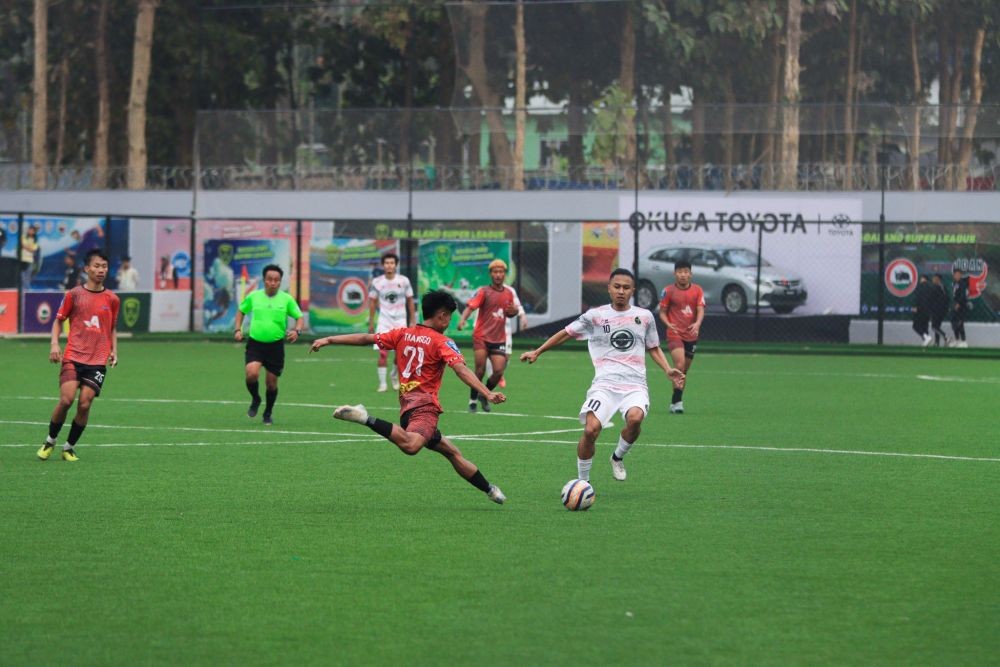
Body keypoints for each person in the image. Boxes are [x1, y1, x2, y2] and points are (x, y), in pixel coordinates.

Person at [309, 289, 507, 505]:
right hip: (425, 409)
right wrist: (487, 392)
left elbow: (366, 338)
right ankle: (364, 418)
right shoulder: (442, 341)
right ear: (441, 315)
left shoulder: (403, 333)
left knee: (452, 452)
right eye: (449, 317)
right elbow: (461, 370)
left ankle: (489, 489)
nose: (449, 321)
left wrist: (329, 339)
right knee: (411, 446)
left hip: (408, 409)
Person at [519, 269, 684, 483]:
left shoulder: (644, 317)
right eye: (617, 287)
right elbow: (566, 333)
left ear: (633, 290)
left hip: (635, 386)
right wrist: (538, 351)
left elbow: (653, 347)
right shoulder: (595, 316)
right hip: (604, 386)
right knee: (591, 430)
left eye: (626, 287)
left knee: (635, 420)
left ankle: (617, 457)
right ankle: (583, 482)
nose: (621, 291)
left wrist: (667, 369)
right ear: (609, 288)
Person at [37, 248, 120, 462]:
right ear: (86, 269)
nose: (101, 270)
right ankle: (50, 441)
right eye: (97, 266)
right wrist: (54, 344)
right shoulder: (74, 295)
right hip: (73, 356)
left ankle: (69, 447)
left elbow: (112, 327)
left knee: (84, 403)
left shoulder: (112, 299)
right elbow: (58, 320)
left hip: (98, 360)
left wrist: (114, 351)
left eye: (104, 266)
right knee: (66, 400)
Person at [234, 264, 305, 425]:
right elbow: (241, 311)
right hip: (255, 344)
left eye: (276, 280)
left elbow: (299, 318)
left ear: (280, 282)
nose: (273, 282)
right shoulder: (254, 296)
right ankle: (256, 399)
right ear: (264, 280)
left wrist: (297, 331)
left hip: (275, 346)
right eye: (269, 279)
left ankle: (268, 413)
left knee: (271, 383)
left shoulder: (286, 299)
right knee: (251, 373)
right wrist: (238, 329)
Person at [456, 258, 526, 413]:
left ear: (505, 274)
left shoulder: (509, 293)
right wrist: (462, 320)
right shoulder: (484, 291)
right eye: (495, 272)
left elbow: (512, 311)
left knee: (498, 371)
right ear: (490, 274)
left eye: (501, 272)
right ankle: (472, 400)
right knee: (479, 371)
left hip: (499, 338)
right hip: (481, 336)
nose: (498, 275)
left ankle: (485, 394)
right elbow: (470, 307)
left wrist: (515, 313)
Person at [658, 259, 705, 413]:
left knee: (684, 371)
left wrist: (697, 324)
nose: (683, 275)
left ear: (690, 274)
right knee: (679, 366)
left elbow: (700, 309)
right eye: (680, 272)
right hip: (674, 333)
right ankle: (678, 403)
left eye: (686, 272)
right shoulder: (668, 291)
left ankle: (675, 400)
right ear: (674, 273)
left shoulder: (698, 290)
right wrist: (668, 324)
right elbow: (662, 312)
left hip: (691, 334)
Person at [368, 253, 415, 392]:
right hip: (384, 321)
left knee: (400, 354)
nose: (389, 265)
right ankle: (382, 384)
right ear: (383, 265)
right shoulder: (377, 282)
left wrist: (412, 320)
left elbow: (410, 301)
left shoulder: (404, 281)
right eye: (387, 263)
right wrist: (371, 322)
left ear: (396, 265)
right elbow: (372, 302)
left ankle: (394, 375)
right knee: (383, 353)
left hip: (400, 321)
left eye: (392, 263)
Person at [911, 274, 933, 347]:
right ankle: (927, 342)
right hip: (928, 310)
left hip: (920, 309)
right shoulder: (930, 288)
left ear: (922, 279)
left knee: (915, 326)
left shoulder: (919, 287)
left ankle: (926, 337)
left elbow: (917, 297)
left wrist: (914, 306)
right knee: (925, 326)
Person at [950, 267, 970, 348]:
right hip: (954, 306)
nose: (957, 276)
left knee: (960, 323)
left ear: (961, 275)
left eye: (959, 274)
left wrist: (959, 303)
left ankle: (964, 341)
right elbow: (953, 295)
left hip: (961, 306)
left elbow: (963, 296)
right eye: (956, 274)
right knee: (953, 323)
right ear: (953, 275)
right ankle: (957, 340)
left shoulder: (963, 283)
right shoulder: (954, 283)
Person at [929, 274, 950, 347]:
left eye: (934, 278)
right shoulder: (943, 287)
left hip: (937, 310)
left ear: (938, 279)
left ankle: (946, 337)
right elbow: (947, 299)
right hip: (942, 310)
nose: (933, 280)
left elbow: (931, 299)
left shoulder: (936, 287)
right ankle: (936, 343)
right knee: (937, 326)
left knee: (934, 326)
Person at [20, 223, 39, 288]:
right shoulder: (23, 237)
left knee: (28, 276)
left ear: (34, 231)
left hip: (30, 260)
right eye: (29, 230)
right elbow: (23, 245)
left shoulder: (35, 240)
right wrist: (29, 248)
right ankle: (23, 290)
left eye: (32, 230)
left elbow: (34, 249)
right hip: (22, 259)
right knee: (22, 276)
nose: (30, 231)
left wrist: (27, 247)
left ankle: (27, 290)